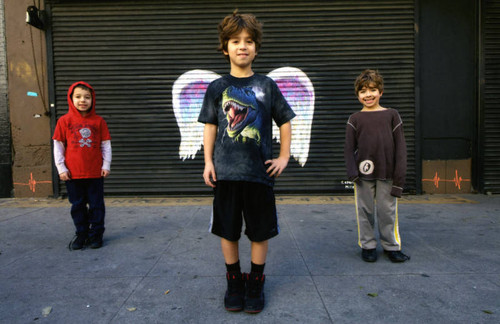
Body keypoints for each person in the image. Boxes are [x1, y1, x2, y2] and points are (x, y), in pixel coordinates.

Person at [198, 10, 295, 313]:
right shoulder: (216, 88)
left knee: (260, 231)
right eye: (235, 41)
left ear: (256, 47)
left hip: (259, 175)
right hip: (225, 174)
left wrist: (283, 156)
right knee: (227, 230)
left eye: (249, 41)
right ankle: (233, 281)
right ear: (224, 46)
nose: (243, 46)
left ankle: (255, 281)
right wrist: (208, 162)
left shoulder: (266, 85)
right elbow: (211, 126)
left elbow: (286, 121)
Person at [344, 69, 410, 263]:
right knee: (364, 211)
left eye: (372, 89)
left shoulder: (392, 115)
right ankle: (368, 245)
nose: (368, 95)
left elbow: (401, 148)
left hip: (387, 173)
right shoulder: (354, 119)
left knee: (387, 211)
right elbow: (348, 149)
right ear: (358, 95)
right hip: (362, 176)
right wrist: (352, 173)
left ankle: (391, 246)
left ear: (381, 92)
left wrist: (399, 179)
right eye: (363, 91)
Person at [53, 81, 112, 250]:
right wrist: (61, 168)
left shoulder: (98, 121)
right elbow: (58, 146)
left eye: (87, 97)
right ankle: (81, 234)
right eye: (78, 97)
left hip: (94, 173)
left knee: (96, 205)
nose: (82, 100)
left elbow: (105, 144)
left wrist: (106, 165)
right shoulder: (64, 121)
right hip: (73, 174)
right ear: (71, 99)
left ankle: (96, 235)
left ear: (92, 100)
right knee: (77, 206)